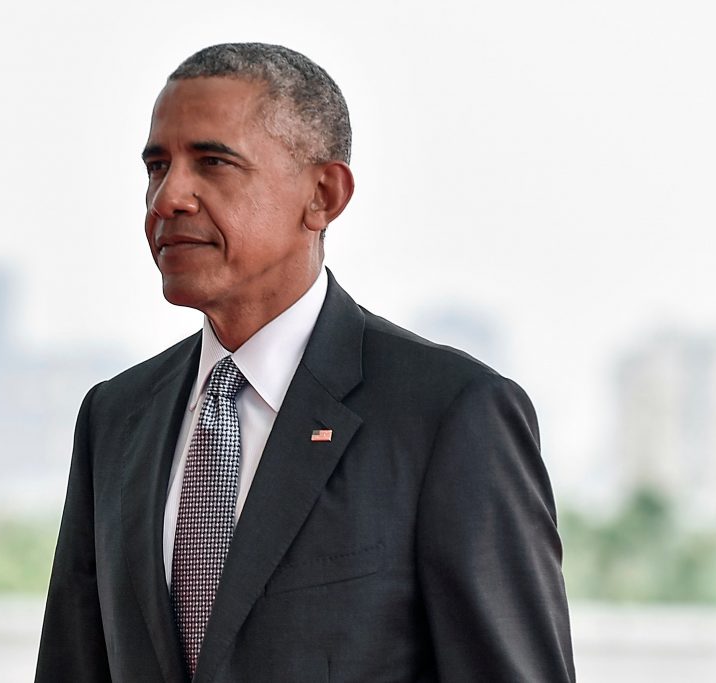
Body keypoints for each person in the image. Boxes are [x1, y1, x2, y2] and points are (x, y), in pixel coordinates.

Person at [35, 43, 576, 683]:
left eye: (213, 162)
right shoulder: (116, 415)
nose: (168, 197)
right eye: (157, 166)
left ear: (323, 195)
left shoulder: (451, 414)